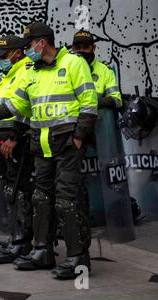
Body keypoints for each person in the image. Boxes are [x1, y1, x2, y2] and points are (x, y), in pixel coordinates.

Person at [0, 22, 98, 280]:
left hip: (68, 145)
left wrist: (79, 137)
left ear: (41, 43)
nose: (26, 51)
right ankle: (42, 251)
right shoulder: (34, 72)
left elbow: (89, 104)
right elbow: (16, 106)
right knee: (40, 198)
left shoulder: (73, 63)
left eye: (28, 46)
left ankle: (77, 258)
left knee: (66, 201)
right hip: (43, 145)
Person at [0, 35, 34, 264]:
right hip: (2, 142)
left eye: (4, 56)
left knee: (19, 191)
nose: (1, 60)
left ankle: (22, 243)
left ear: (17, 52)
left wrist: (15, 137)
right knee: (11, 192)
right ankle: (15, 237)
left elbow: (25, 108)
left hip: (16, 141)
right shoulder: (9, 75)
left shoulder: (25, 72)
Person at [71, 30, 123, 219]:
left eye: (86, 47)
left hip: (100, 131)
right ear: (72, 48)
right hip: (74, 130)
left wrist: (90, 102)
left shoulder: (105, 71)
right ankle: (77, 217)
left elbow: (116, 100)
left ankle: (111, 214)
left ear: (94, 48)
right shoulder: (66, 68)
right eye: (78, 47)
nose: (82, 51)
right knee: (71, 177)